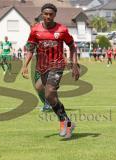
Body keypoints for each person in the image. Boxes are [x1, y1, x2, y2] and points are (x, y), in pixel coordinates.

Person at [21, 3, 80, 139]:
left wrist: (75, 65)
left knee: (49, 93)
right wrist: (25, 65)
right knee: (39, 87)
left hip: (57, 64)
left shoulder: (62, 30)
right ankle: (68, 122)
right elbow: (30, 49)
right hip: (42, 66)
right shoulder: (35, 30)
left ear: (54, 15)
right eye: (45, 14)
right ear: (42, 14)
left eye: (51, 14)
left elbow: (72, 47)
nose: (48, 16)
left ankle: (63, 122)